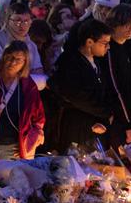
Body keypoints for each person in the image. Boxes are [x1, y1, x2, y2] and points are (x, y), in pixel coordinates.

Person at [47, 19, 113, 151]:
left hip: (95, 126)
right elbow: (77, 96)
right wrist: (105, 112)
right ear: (89, 42)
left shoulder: (97, 61)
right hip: (76, 127)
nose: (108, 47)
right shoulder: (70, 62)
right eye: (104, 43)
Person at [0, 41, 45, 160]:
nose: (13, 62)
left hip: (12, 146)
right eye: (10, 57)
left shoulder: (28, 85)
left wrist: (27, 144)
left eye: (18, 59)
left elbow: (38, 118)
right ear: (4, 56)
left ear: (25, 63)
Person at [101, 5, 131, 147]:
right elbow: (115, 88)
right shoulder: (109, 49)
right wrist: (127, 125)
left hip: (128, 115)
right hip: (117, 119)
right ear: (115, 24)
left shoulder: (127, 47)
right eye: (127, 26)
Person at [0, 3, 47, 89]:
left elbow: (40, 76)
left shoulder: (31, 46)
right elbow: (1, 77)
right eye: (17, 21)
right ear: (7, 21)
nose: (22, 25)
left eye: (26, 21)